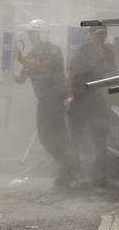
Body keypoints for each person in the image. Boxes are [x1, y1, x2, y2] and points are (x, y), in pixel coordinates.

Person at [14, 20, 76, 187]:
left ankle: (68, 170)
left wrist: (22, 60)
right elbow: (21, 78)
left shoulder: (53, 50)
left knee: (58, 136)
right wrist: (7, 75)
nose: (30, 36)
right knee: (45, 137)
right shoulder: (32, 53)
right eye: (29, 34)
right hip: (43, 100)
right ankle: (68, 166)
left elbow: (45, 68)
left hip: (55, 98)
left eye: (33, 33)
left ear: (42, 33)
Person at [65, 26, 116, 186]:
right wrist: (70, 96)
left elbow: (113, 75)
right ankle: (71, 174)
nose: (102, 37)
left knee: (100, 138)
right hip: (80, 99)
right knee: (76, 139)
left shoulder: (108, 52)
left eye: (104, 34)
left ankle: (100, 175)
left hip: (99, 100)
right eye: (98, 34)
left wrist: (118, 93)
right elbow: (69, 75)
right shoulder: (82, 52)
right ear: (91, 34)